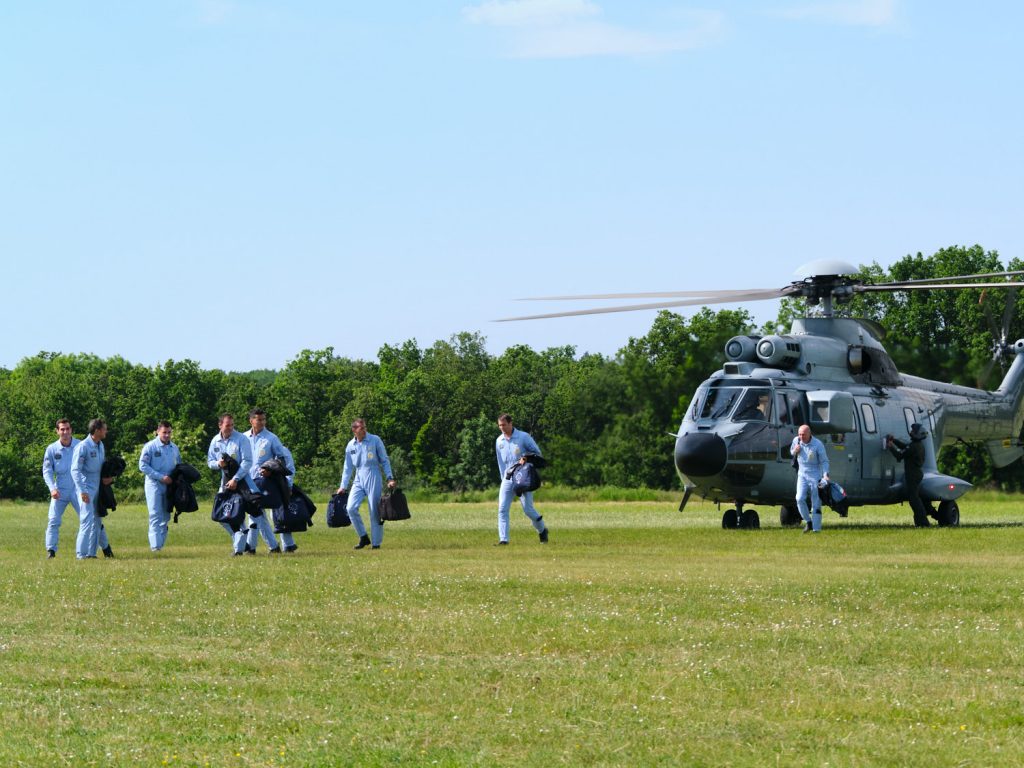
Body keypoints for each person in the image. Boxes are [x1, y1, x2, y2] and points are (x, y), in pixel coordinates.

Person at [207, 413, 264, 556]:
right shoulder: (215, 441)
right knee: (221, 516)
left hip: (243, 483)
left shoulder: (241, 439)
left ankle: (239, 549)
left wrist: (236, 479)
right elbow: (210, 462)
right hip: (225, 483)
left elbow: (247, 462)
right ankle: (242, 540)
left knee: (240, 513)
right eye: (227, 425)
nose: (230, 428)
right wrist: (217, 464)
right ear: (220, 425)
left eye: (232, 425)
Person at [337, 418, 395, 550]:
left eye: (365, 427)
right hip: (358, 477)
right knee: (350, 508)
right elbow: (347, 467)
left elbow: (384, 460)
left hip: (373, 474)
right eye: (361, 428)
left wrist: (389, 478)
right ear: (354, 430)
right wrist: (343, 486)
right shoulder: (351, 445)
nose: (364, 430)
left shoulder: (375, 440)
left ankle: (376, 543)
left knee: (374, 510)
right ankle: (363, 537)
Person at [245, 408, 297, 553]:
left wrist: (270, 469)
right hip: (247, 481)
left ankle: (260, 547)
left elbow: (281, 459)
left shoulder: (271, 438)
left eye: (263, 419)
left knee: (256, 513)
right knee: (255, 514)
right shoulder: (243, 438)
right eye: (258, 419)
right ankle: (262, 547)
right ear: (251, 420)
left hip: (264, 481)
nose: (261, 422)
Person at [495, 413, 549, 545]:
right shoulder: (499, 441)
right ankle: (504, 540)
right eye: (499, 425)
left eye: (504, 425)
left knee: (528, 509)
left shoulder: (523, 437)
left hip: (523, 477)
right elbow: (500, 462)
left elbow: (537, 453)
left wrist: (526, 458)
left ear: (510, 423)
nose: (502, 427)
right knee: (502, 508)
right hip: (507, 478)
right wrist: (503, 479)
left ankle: (542, 530)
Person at [71, 418, 115, 559]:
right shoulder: (83, 446)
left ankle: (91, 553)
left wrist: (108, 477)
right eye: (104, 429)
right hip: (86, 488)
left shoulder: (100, 445)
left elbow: (101, 467)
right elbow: (75, 470)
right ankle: (81, 554)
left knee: (97, 521)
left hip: (98, 487)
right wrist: (83, 490)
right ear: (97, 430)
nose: (106, 431)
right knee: (86, 520)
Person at [138, 420, 183, 552]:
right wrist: (160, 477)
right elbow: (143, 466)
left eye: (169, 432)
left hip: (170, 486)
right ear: (158, 432)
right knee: (155, 515)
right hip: (154, 485)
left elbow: (179, 466)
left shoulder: (174, 448)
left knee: (165, 516)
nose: (167, 435)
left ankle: (160, 546)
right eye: (164, 432)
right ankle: (155, 547)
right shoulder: (150, 447)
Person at [41, 418, 80, 558]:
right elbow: (47, 471)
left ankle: (105, 548)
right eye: (62, 429)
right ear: (57, 431)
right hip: (60, 490)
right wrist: (52, 488)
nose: (65, 432)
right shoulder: (51, 449)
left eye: (67, 429)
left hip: (78, 489)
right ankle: (51, 551)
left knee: (89, 519)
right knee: (53, 520)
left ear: (71, 430)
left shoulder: (80, 446)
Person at [887, 423, 930, 527]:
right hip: (916, 474)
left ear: (917, 433)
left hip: (913, 475)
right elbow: (905, 447)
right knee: (914, 498)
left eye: (913, 431)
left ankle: (923, 523)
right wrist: (894, 440)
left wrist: (890, 446)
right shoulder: (917, 445)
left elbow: (900, 455)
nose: (910, 432)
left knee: (914, 499)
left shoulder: (914, 446)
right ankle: (921, 521)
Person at [790, 424, 830, 533]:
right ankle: (808, 521)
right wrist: (795, 451)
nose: (801, 437)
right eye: (799, 434)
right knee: (799, 498)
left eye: (803, 434)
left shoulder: (818, 444)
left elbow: (824, 461)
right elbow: (791, 452)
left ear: (809, 434)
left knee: (816, 502)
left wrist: (825, 474)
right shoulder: (796, 441)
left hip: (815, 474)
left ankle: (816, 530)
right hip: (802, 474)